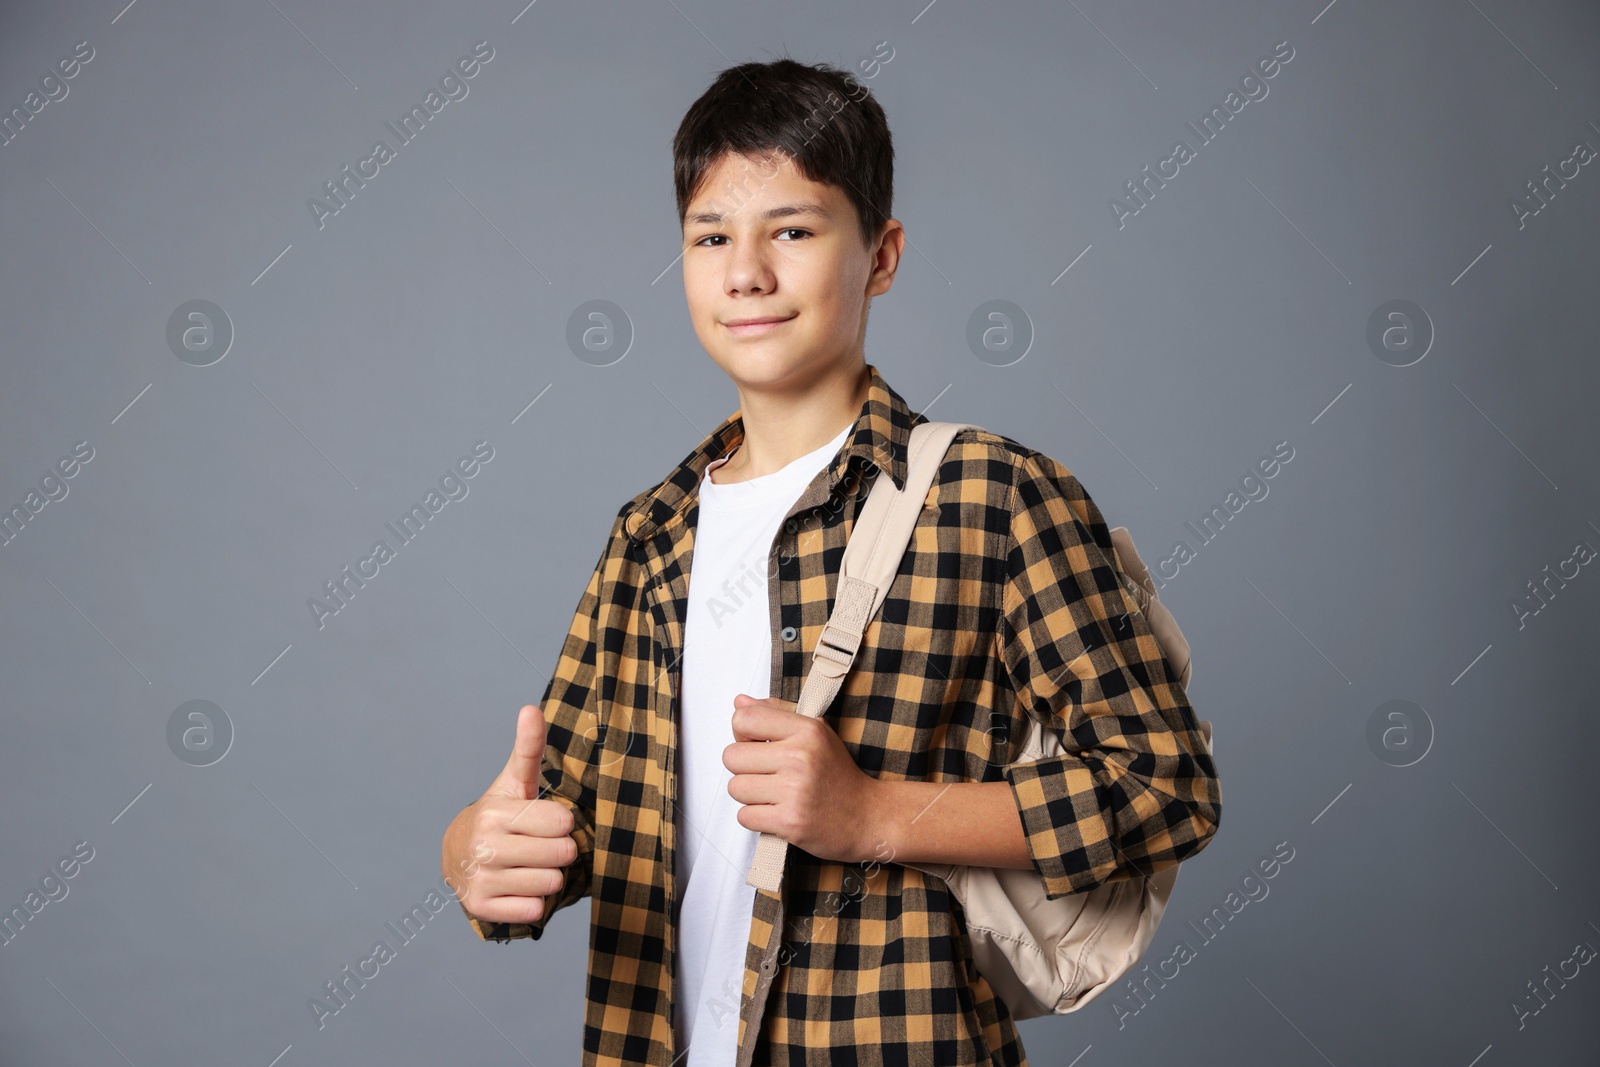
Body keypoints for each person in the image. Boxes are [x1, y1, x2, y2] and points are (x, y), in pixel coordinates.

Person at [440, 56, 1221, 1067]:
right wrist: (477, 850)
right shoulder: (650, 534)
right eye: (710, 235)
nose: (745, 272)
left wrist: (873, 813)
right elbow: (568, 816)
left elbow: (1165, 786)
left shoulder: (991, 497)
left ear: (881, 255)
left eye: (793, 231)